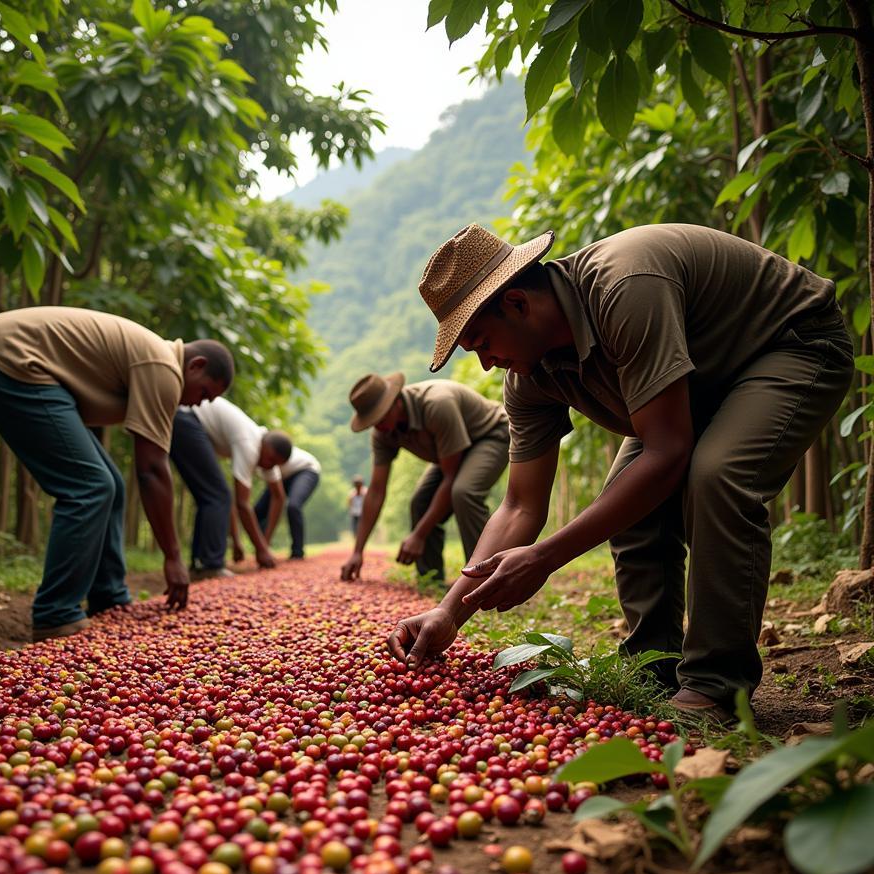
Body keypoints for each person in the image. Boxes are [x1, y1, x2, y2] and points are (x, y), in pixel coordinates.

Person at [387, 222, 853, 719]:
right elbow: (521, 504)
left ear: (518, 304)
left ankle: (717, 684)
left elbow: (667, 453)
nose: (484, 364)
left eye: (481, 342)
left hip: (789, 343)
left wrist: (545, 558)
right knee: (628, 506)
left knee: (717, 477)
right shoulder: (528, 380)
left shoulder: (625, 287)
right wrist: (450, 610)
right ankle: (654, 667)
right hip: (692, 387)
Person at [0, 306, 233, 641]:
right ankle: (55, 614)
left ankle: (109, 597)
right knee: (91, 486)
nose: (197, 405)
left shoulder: (156, 357)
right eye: (204, 393)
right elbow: (151, 469)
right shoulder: (164, 367)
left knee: (111, 484)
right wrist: (173, 557)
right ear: (196, 365)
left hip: (4, 358)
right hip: (9, 360)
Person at [340, 372, 510, 584]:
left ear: (396, 403)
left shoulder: (436, 404)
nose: (379, 426)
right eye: (373, 422)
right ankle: (431, 579)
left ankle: (486, 579)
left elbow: (450, 478)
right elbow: (375, 491)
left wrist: (418, 535)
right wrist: (358, 551)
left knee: (464, 492)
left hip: (490, 434)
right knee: (420, 502)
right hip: (449, 453)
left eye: (381, 417)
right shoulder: (383, 433)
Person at [170, 396, 286, 572]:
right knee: (217, 495)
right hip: (186, 417)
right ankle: (211, 564)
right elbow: (242, 504)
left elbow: (279, 496)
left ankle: (199, 563)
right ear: (267, 446)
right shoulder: (250, 444)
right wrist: (261, 549)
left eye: (274, 464)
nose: (268, 466)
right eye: (270, 460)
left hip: (187, 419)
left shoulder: (266, 456)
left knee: (211, 496)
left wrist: (262, 543)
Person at [254, 443, 321, 560]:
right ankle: (261, 548)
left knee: (293, 506)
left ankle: (297, 552)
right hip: (280, 477)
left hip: (305, 469)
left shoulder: (265, 454)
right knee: (257, 511)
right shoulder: (254, 459)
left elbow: (278, 501)